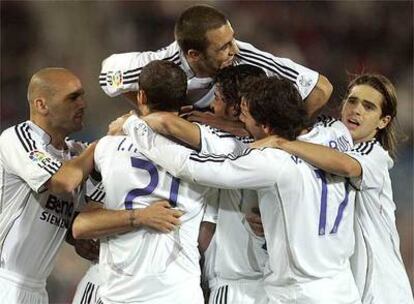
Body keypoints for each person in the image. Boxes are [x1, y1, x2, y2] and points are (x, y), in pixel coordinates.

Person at [121, 77, 361, 304]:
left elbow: (190, 166)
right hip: (343, 287)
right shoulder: (334, 140)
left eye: (246, 116)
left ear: (265, 126)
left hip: (301, 293)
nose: (241, 122)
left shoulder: (271, 162)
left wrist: (135, 127)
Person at [251, 74, 414, 303]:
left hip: (381, 289)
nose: (356, 110)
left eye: (368, 107)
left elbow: (346, 165)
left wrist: (282, 143)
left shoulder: (373, 155)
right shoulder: (321, 148)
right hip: (344, 288)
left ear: (383, 122)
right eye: (352, 101)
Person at [72, 60, 217, 304]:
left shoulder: (108, 148)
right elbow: (206, 236)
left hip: (121, 293)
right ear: (183, 101)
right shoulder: (206, 154)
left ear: (140, 96)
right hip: (179, 294)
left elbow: (83, 224)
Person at [128, 64, 267, 304]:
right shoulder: (280, 147)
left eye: (218, 98)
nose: (212, 106)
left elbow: (169, 125)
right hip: (274, 284)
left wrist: (132, 123)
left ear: (237, 108)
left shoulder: (224, 144)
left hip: (233, 284)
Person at [99, 4, 332, 119]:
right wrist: (152, 112)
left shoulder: (245, 56)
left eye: (232, 39)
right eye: (223, 47)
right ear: (193, 55)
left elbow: (321, 89)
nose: (233, 50)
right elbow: (108, 77)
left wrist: (279, 137)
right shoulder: (161, 67)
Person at [0, 68, 97, 304]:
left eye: (82, 96)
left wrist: (76, 239)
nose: (83, 104)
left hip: (37, 288)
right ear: (42, 105)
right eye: (73, 97)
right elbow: (62, 182)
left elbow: (53, 212)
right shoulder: (17, 138)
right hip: (6, 281)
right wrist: (99, 146)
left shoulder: (74, 154)